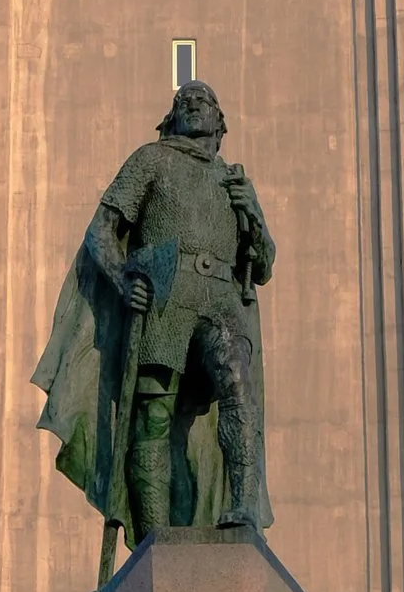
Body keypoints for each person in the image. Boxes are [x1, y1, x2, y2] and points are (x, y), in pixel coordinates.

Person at [33, 80, 275, 564]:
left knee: (238, 385)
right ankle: (153, 538)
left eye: (202, 100)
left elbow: (263, 265)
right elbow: (101, 230)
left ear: (219, 121)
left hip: (220, 300)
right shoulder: (150, 159)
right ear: (172, 117)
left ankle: (244, 503)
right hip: (164, 297)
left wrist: (257, 220)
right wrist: (125, 280)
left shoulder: (234, 182)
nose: (191, 103)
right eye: (183, 100)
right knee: (153, 416)